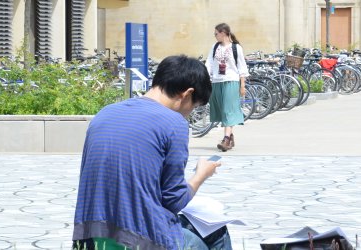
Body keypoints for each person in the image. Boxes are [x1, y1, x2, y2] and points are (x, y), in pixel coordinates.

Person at [72, 55, 228, 250]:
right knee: (213, 234)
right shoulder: (174, 123)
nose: (188, 114)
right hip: (140, 240)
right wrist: (200, 175)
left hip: (90, 238)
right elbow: (174, 201)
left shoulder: (105, 113)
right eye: (193, 107)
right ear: (187, 94)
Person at [206, 23, 249, 151]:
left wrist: (242, 85)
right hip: (216, 82)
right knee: (220, 110)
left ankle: (225, 140)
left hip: (231, 81)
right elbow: (209, 63)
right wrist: (205, 78)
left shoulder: (236, 48)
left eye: (216, 34)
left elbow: (242, 67)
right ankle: (230, 136)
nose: (215, 36)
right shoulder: (215, 47)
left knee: (227, 110)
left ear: (223, 33)